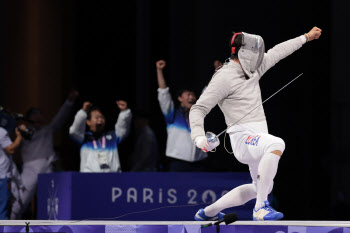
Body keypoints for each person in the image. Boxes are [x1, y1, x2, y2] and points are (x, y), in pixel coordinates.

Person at [190, 27, 322, 221]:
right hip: (243, 139)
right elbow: (198, 108)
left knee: (262, 187)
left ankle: (207, 212)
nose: (260, 58)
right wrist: (199, 137)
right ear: (244, 53)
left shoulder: (253, 69)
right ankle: (260, 208)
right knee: (276, 144)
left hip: (258, 138)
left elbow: (278, 51)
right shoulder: (224, 77)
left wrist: (306, 37)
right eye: (256, 54)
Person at [11, 90, 78, 219]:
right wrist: (23, 129)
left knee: (53, 201)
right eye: (35, 114)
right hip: (31, 169)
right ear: (29, 117)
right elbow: (16, 141)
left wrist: (69, 102)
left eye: (40, 114)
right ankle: (9, 226)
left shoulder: (48, 129)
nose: (39, 116)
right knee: (20, 200)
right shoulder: (25, 130)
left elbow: (61, 117)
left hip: (48, 168)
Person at [156, 60, 207, 171]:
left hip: (199, 162)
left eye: (193, 95)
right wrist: (159, 70)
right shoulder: (172, 114)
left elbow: (208, 93)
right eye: (188, 94)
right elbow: (164, 94)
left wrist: (216, 73)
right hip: (178, 163)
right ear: (180, 98)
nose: (192, 97)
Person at [69, 100, 132, 172]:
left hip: (112, 179)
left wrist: (124, 112)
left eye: (102, 117)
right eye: (96, 117)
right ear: (88, 122)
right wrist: (83, 112)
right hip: (90, 180)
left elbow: (123, 129)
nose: (100, 119)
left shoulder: (112, 136)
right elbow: (74, 131)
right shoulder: (83, 138)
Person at [0, 124, 26, 220]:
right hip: (2, 177)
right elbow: (10, 149)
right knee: (2, 211)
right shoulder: (1, 132)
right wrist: (19, 136)